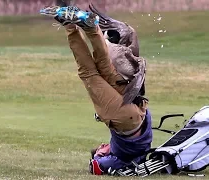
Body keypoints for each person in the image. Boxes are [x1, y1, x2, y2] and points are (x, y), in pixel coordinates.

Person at [40, 5, 153, 175]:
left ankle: (91, 27)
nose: (101, 147)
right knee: (88, 73)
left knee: (104, 65)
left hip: (135, 108)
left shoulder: (135, 150)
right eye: (102, 149)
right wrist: (97, 157)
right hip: (126, 118)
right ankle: (71, 26)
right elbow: (96, 167)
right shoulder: (120, 158)